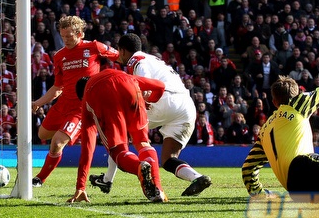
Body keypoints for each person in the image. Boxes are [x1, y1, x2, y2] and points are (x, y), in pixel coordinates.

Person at [90, 33, 212, 196]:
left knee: (121, 133)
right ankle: (197, 178)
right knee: (169, 159)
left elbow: (143, 88)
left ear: (124, 51)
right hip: (186, 106)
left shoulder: (136, 61)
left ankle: (108, 180)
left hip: (164, 99)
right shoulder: (153, 59)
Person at [242, 69, 319, 202]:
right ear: (297, 94)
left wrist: (260, 194)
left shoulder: (264, 131)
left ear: (274, 102)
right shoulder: (297, 105)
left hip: (295, 189)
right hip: (304, 167)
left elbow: (248, 169)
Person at [31, 16, 119, 187]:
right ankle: (74, 133)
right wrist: (38, 102)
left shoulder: (94, 47)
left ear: (80, 34)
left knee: (57, 143)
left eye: (69, 36)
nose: (65, 40)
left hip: (80, 108)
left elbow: (120, 56)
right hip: (62, 104)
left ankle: (39, 178)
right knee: (42, 135)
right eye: (63, 36)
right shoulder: (59, 56)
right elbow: (57, 87)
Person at [67, 69, 167, 203]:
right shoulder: (121, 74)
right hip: (129, 85)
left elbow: (87, 147)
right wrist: (149, 100)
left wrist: (81, 186)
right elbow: (160, 86)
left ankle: (138, 167)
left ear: (81, 97)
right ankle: (158, 191)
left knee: (117, 150)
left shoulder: (87, 98)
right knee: (143, 142)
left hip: (103, 96)